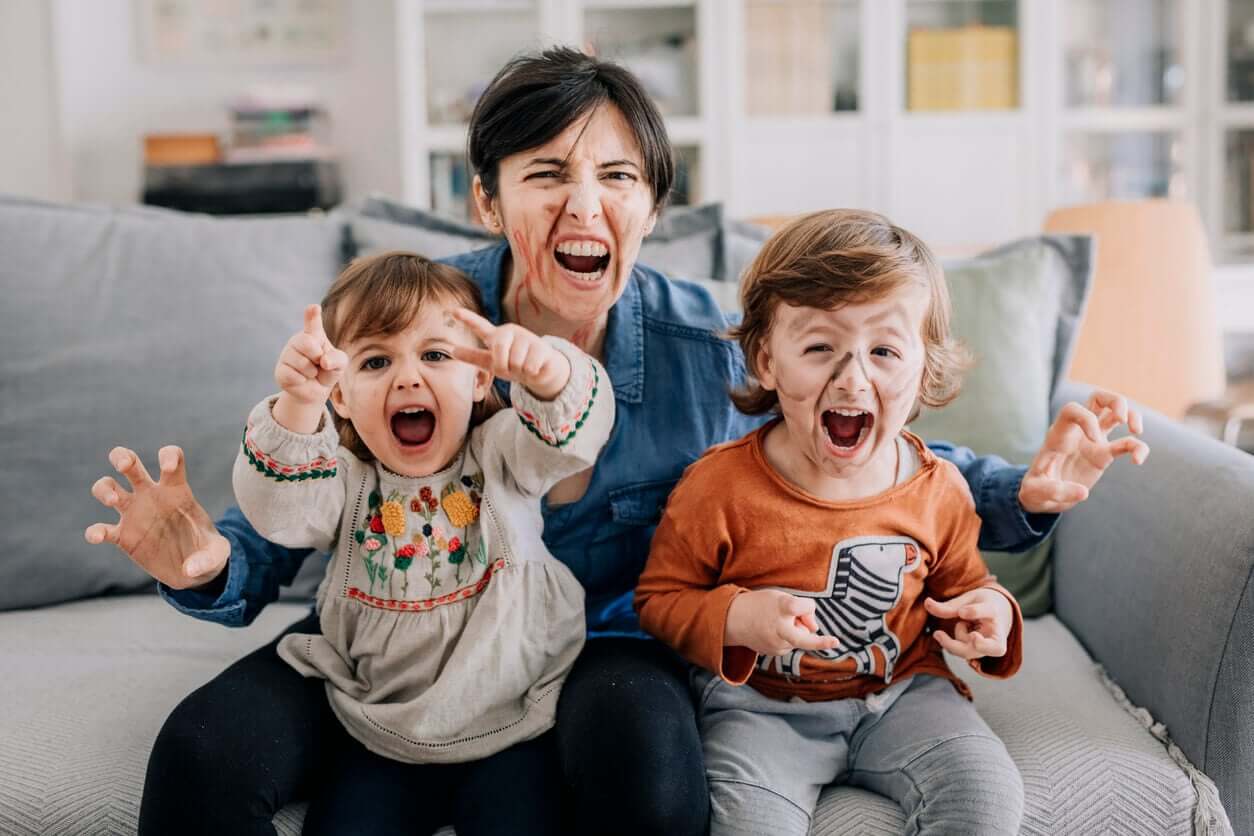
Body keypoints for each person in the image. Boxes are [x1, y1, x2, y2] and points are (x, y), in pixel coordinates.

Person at [85, 47, 1146, 836]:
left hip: (604, 650)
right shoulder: (412, 330)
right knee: (202, 750)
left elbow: (869, 460)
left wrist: (1035, 492)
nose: (584, 203)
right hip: (390, 645)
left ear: (652, 207)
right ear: (487, 198)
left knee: (648, 765)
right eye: (545, 173)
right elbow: (301, 495)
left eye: (619, 176)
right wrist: (207, 564)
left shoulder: (707, 348)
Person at [636, 209, 1141, 834]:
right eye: (820, 347)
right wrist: (736, 617)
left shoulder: (939, 487)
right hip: (761, 708)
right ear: (766, 361)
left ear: (923, 370)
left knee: (986, 801)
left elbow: (963, 589)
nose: (853, 379)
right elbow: (659, 600)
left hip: (906, 695)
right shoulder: (717, 486)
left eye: (884, 351)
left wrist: (993, 615)